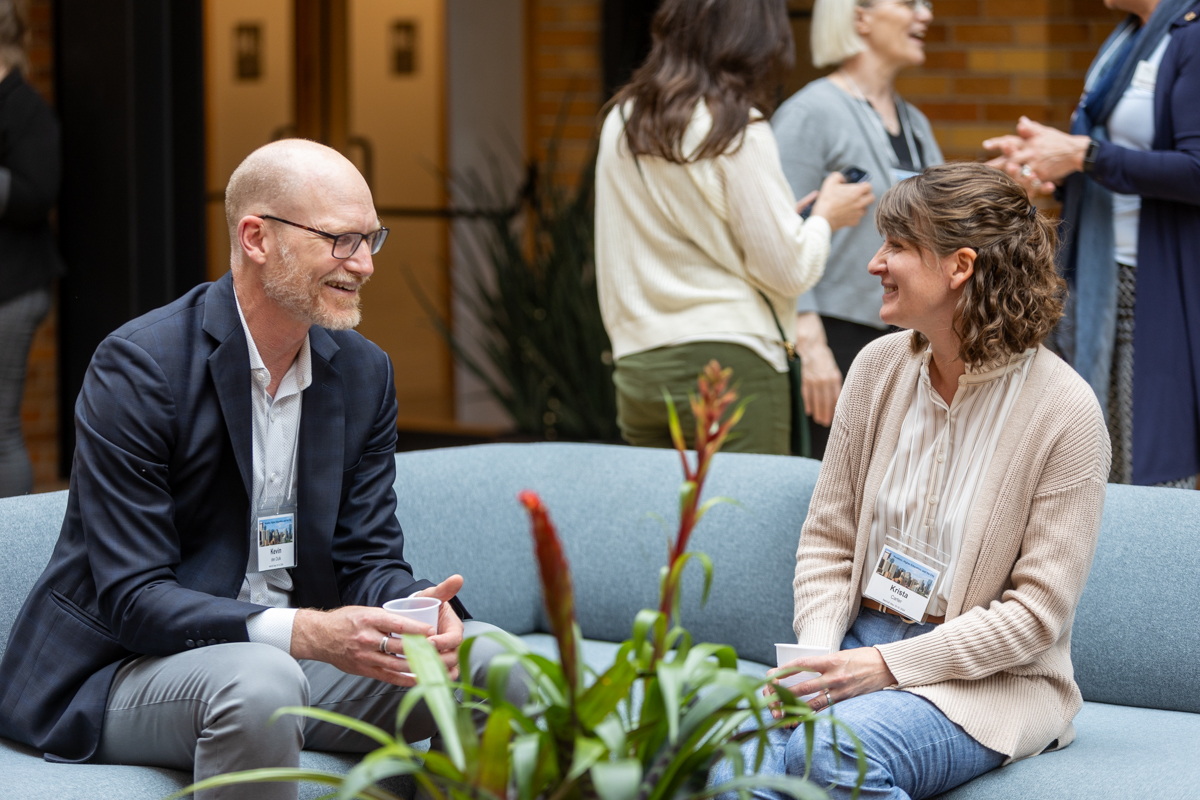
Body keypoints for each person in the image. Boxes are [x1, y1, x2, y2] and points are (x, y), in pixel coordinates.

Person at [0, 140, 524, 799]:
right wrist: (305, 631)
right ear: (257, 238)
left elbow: (367, 559)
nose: (363, 265)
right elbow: (133, 598)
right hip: (132, 665)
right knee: (264, 683)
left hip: (293, 657)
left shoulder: (362, 373)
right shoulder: (141, 366)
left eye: (371, 239)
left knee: (492, 659)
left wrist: (414, 611)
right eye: (341, 240)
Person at [710, 163, 1111, 799]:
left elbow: (1037, 616)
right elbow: (828, 542)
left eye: (897, 246)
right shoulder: (875, 369)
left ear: (960, 267)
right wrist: (819, 664)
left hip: (987, 679)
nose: (875, 263)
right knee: (734, 755)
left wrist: (887, 667)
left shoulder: (1066, 411)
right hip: (856, 640)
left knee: (837, 752)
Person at [595, 0, 873, 456]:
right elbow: (788, 272)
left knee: (670, 526)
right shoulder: (736, 126)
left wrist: (793, 220)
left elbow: (697, 231)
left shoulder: (620, 120)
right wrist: (826, 217)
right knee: (747, 525)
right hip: (730, 365)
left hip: (639, 365)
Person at [983, 0, 1200, 487]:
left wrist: (1084, 155)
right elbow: (1112, 166)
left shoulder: (1191, 35)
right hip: (1100, 276)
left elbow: (1195, 169)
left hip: (1158, 284)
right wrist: (1053, 170)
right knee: (1105, 467)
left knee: (1149, 475)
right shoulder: (1126, 39)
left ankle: (1153, 566)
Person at [771, 0, 943, 459]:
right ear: (859, 16)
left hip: (904, 340)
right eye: (909, 3)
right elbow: (778, 237)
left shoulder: (915, 124)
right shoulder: (810, 112)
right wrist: (810, 346)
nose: (925, 14)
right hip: (833, 340)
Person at [0, 0, 63, 497]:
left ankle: (9, 556)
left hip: (14, 288)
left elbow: (37, 191)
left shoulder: (23, 107)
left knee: (1, 430)